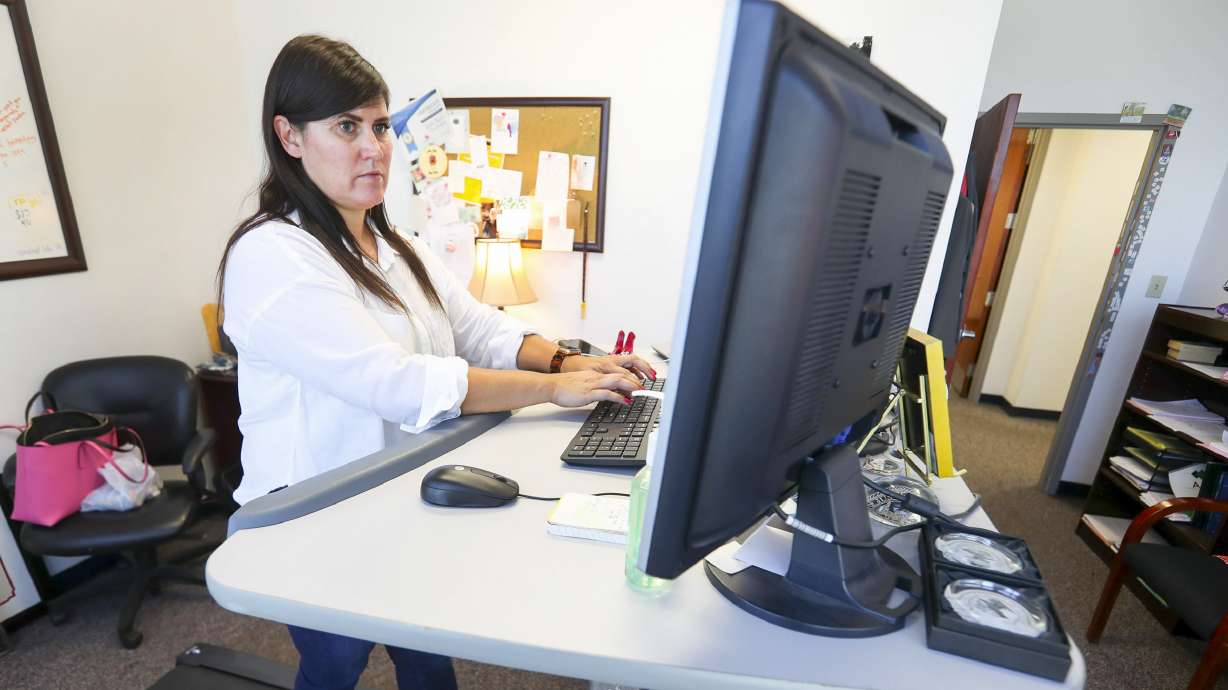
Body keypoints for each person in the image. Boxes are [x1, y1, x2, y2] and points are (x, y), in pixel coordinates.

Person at [215, 35, 654, 690]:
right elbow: (395, 382)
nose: (374, 148)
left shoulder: (395, 245)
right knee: (338, 661)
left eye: (379, 126)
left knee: (421, 640)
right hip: (318, 509)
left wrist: (566, 362)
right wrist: (548, 390)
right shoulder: (273, 255)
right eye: (346, 127)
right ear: (290, 136)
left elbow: (481, 328)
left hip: (396, 486)